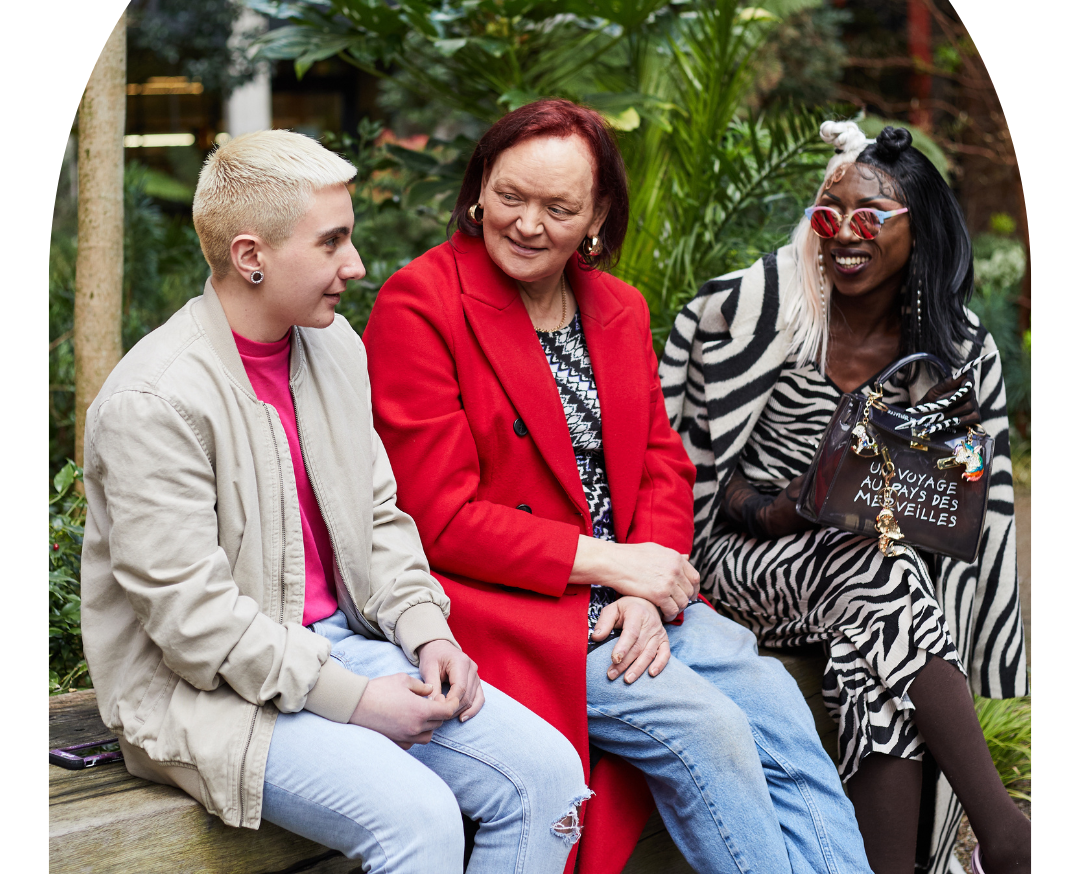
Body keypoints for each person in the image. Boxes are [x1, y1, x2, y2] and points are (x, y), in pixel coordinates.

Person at [362, 99, 873, 874]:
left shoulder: (616, 306)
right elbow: (440, 519)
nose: (528, 224)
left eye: (558, 207)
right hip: (518, 612)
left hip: (633, 602)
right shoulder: (420, 304)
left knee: (779, 713)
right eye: (510, 197)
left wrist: (647, 583)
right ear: (479, 188)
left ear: (597, 215)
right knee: (709, 730)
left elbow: (660, 465)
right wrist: (614, 567)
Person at [80, 130, 589, 874]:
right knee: (420, 823)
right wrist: (354, 699)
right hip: (206, 697)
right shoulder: (153, 401)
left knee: (549, 781)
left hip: (346, 650)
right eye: (331, 244)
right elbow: (196, 627)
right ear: (251, 256)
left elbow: (380, 519)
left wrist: (428, 634)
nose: (355, 265)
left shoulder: (333, 346)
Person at [660, 120, 1030, 874]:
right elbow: (698, 473)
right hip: (743, 560)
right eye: (827, 217)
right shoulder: (761, 322)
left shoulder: (955, 351)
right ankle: (1006, 830)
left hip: (871, 574)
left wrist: (899, 494)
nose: (842, 235)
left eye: (869, 218)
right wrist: (792, 506)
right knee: (863, 551)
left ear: (917, 230)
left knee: (877, 656)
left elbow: (975, 513)